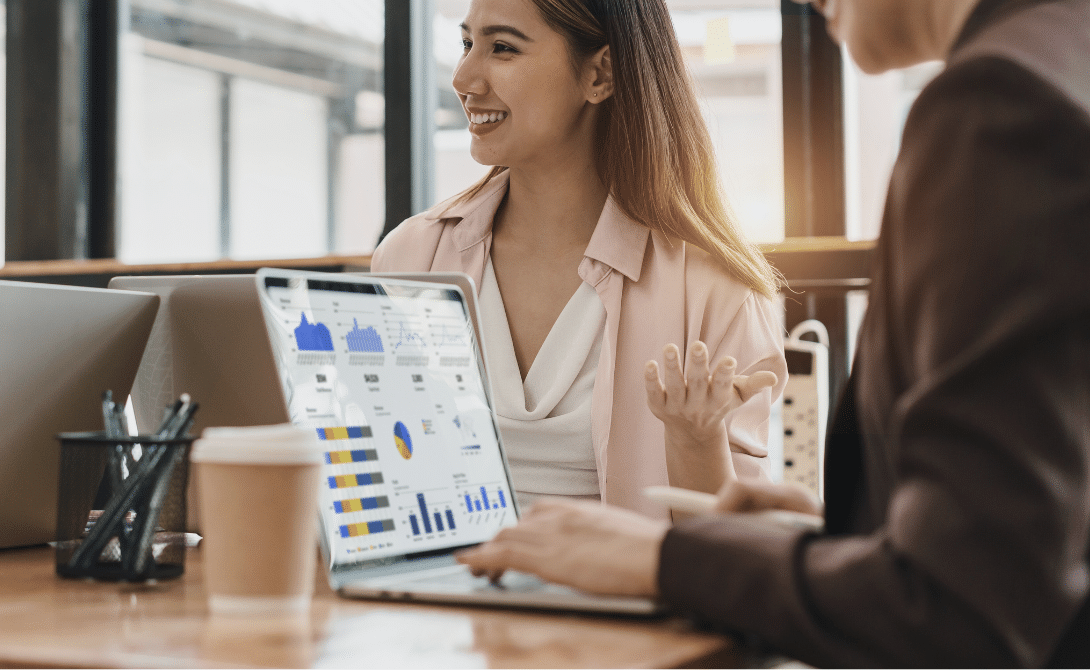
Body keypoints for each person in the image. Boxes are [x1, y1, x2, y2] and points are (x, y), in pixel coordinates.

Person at [457, 0, 1090, 665]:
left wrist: (665, 558)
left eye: (501, 47)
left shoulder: (1006, 106)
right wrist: (824, 540)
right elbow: (1030, 535)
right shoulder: (1060, 64)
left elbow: (961, 612)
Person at [371, 0, 788, 515]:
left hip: (619, 593)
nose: (464, 78)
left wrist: (695, 440)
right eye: (465, 45)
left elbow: (737, 557)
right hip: (431, 590)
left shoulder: (712, 289)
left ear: (600, 74)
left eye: (502, 48)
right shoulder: (411, 256)